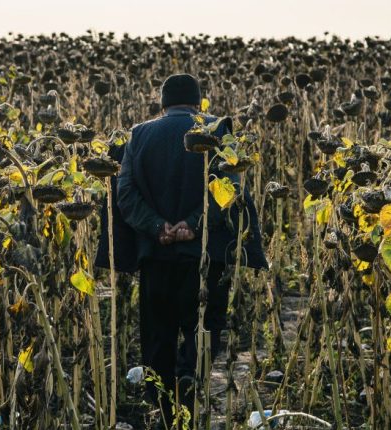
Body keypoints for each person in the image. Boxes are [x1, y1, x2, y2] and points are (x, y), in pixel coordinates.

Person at [102, 73, 267, 427]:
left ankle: (163, 409)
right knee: (205, 325)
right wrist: (193, 224)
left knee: (158, 333)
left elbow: (125, 194)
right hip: (206, 256)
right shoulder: (218, 129)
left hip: (156, 256)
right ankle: (190, 382)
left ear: (162, 104)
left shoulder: (139, 134)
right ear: (198, 103)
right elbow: (229, 188)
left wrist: (156, 225)